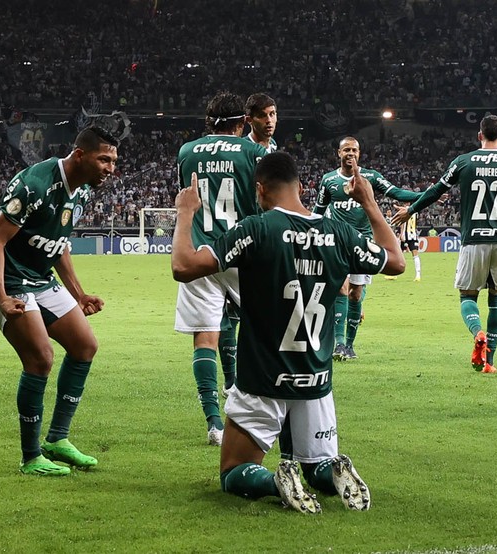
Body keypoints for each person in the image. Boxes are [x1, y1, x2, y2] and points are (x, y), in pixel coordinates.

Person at [171, 152, 405, 513]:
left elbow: (184, 266)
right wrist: (370, 203)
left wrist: (186, 211)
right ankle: (334, 471)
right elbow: (396, 261)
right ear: (302, 187)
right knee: (316, 468)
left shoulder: (257, 229)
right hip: (316, 380)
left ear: (260, 189)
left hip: (263, 378)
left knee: (233, 470)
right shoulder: (339, 232)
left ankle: (275, 480)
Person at [0, 126, 118, 476]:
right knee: (40, 358)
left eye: (114, 161)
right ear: (80, 154)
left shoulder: (82, 191)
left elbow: (58, 245)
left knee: (85, 345)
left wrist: (79, 293)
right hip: (9, 279)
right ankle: (30, 456)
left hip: (40, 278)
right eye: (104, 159)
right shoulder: (35, 184)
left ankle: (57, 439)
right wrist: (2, 298)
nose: (110, 168)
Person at [392, 115, 497, 374]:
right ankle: (489, 362)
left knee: (467, 296)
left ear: (479, 135)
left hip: (473, 240)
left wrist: (411, 209)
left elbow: (436, 190)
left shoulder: (463, 162)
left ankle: (477, 331)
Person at [175, 91, 267, 446]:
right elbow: (265, 201)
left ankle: (214, 423)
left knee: (204, 336)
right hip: (243, 249)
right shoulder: (254, 152)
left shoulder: (186, 152)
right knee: (265, 329)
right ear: (243, 122)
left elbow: (188, 196)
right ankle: (256, 405)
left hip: (199, 251)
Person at [313, 136, 421, 361]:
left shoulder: (371, 178)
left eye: (354, 150)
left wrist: (427, 196)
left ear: (359, 153)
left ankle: (350, 346)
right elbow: (318, 212)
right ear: (339, 154)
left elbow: (397, 193)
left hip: (363, 244)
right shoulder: (329, 180)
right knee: (341, 289)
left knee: (355, 294)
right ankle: (339, 344)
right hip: (337, 241)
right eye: (346, 150)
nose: (350, 153)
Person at [216, 92, 281, 402]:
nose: (269, 122)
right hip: (241, 236)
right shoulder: (244, 151)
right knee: (233, 314)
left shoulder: (274, 150)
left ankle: (249, 377)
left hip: (265, 238)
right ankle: (232, 380)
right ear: (249, 119)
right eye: (263, 116)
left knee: (259, 314)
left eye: (273, 114)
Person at [398, 203, 422, 281]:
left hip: (405, 235)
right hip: (413, 235)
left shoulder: (404, 210)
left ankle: (393, 275)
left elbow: (402, 222)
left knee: (397, 254)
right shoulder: (416, 211)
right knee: (415, 255)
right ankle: (418, 275)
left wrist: (401, 234)